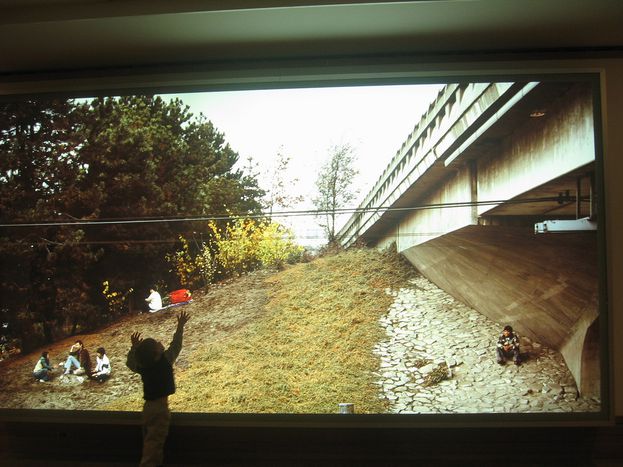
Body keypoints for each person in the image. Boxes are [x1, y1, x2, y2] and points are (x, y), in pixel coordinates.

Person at [126, 310, 190, 467]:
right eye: (157, 344)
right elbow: (176, 345)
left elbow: (130, 363)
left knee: (149, 443)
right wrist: (180, 326)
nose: (160, 343)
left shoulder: (143, 366)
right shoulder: (165, 362)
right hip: (159, 410)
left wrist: (134, 347)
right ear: (156, 354)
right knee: (153, 450)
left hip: (147, 408)